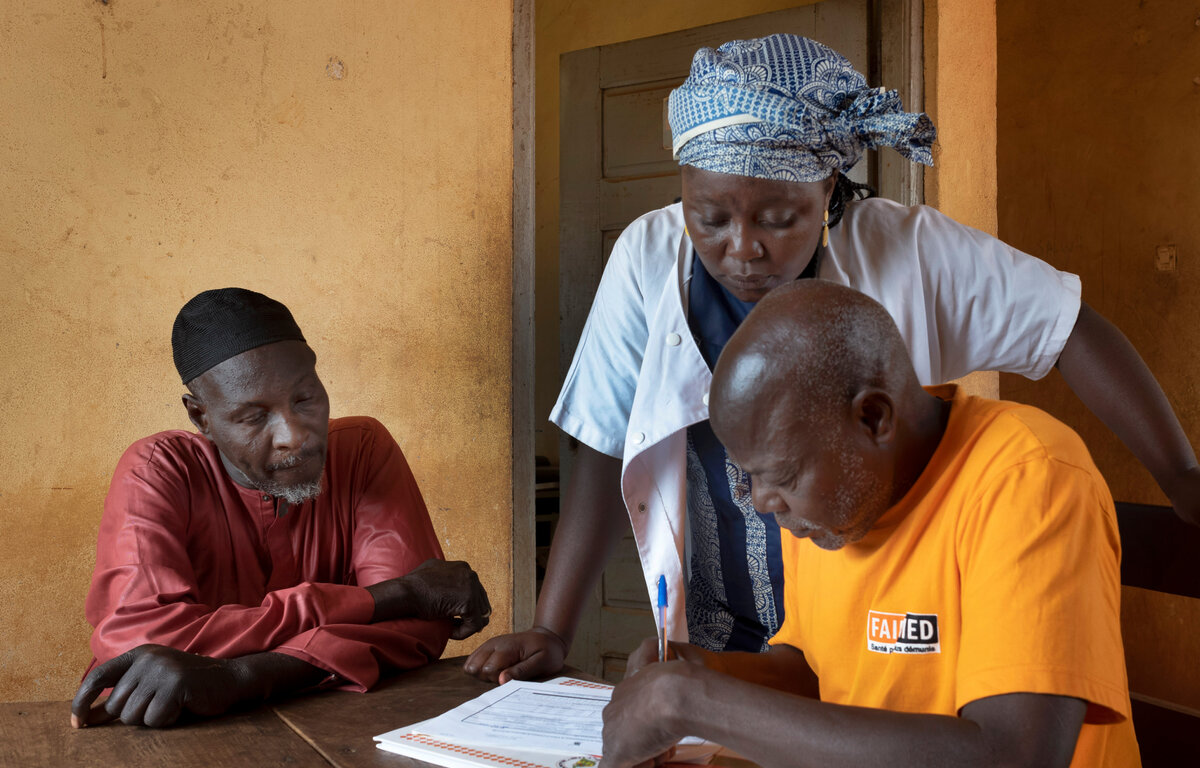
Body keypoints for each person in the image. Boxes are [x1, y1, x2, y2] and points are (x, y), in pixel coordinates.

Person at [465, 33, 1199, 681]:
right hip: (730, 630)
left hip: (885, 629)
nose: (742, 247)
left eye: (780, 219)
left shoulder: (907, 252)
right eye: (709, 216)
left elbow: (1068, 325)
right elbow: (602, 436)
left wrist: (1183, 475)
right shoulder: (647, 258)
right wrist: (553, 628)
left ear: (828, 192)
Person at [599, 279, 1144, 768]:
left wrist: (691, 701)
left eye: (781, 476)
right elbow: (817, 675)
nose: (764, 503)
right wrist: (706, 670)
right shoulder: (832, 504)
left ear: (874, 419)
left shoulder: (1028, 479)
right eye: (752, 478)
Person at [72, 288, 491, 729]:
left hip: (339, 725)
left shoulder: (363, 450)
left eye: (305, 398)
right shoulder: (158, 470)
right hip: (165, 729)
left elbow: (419, 627)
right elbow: (139, 643)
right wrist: (389, 596)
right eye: (253, 417)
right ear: (201, 417)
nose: (294, 434)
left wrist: (241, 676)